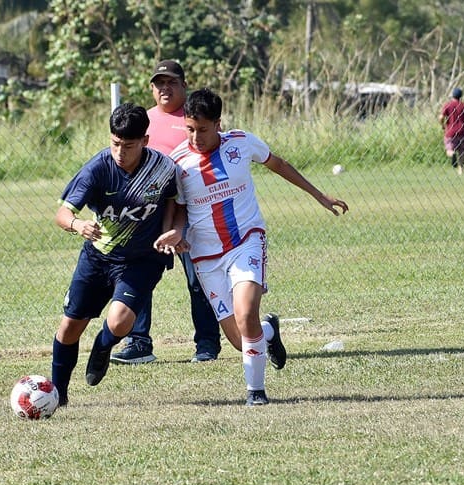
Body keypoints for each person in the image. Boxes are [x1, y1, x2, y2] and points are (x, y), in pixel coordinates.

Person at [155, 88, 349, 406]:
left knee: (246, 317)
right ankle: (269, 331)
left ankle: (256, 394)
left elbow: (279, 164)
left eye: (202, 129)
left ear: (218, 124)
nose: (195, 137)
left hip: (246, 241)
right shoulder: (178, 162)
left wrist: (319, 195)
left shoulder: (241, 142)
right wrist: (172, 234)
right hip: (205, 256)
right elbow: (177, 209)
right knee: (238, 339)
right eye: (190, 128)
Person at [50, 103, 178, 406]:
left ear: (145, 141)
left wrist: (171, 229)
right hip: (98, 257)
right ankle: (58, 394)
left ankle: (103, 346)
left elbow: (174, 199)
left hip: (144, 258)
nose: (120, 151)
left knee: (119, 322)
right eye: (115, 143)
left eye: (128, 145)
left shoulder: (163, 168)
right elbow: (62, 214)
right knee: (69, 327)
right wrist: (77, 224)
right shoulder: (97, 169)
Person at [110, 60, 224, 365]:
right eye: (159, 83)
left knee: (198, 279)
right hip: (147, 215)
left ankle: (207, 344)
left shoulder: (193, 118)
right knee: (138, 278)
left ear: (184, 86)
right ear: (151, 88)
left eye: (171, 82)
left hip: (191, 212)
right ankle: (138, 343)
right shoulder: (143, 120)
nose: (165, 88)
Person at [439, 88, 464, 175]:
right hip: (463, 131)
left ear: (452, 96)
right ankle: (461, 170)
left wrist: (443, 125)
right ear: (461, 96)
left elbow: (441, 117)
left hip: (450, 132)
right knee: (462, 151)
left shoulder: (448, 105)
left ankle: (452, 154)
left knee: (449, 148)